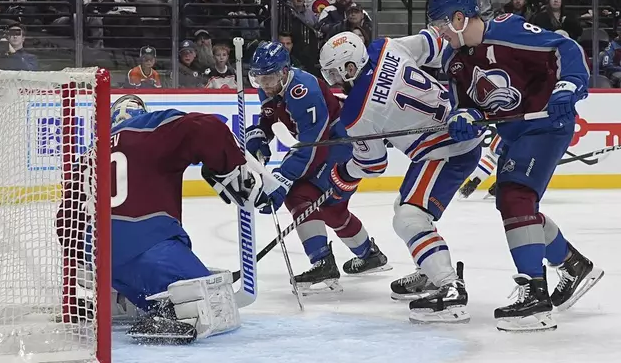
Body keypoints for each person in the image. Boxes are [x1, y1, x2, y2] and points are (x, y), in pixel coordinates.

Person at [427, 0, 604, 332]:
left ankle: (534, 293)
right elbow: (469, 104)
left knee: (514, 195)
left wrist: (569, 85)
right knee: (516, 202)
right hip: (516, 132)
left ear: (460, 18)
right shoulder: (456, 61)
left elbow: (565, 47)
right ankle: (571, 263)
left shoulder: (508, 31)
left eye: (441, 24)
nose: (439, 33)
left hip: (547, 124)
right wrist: (464, 116)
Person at [56, 95, 265, 342]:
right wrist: (231, 168)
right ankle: (172, 306)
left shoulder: (89, 155)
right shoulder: (150, 128)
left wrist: (90, 263)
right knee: (211, 304)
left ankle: (149, 301)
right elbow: (207, 127)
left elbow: (64, 222)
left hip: (103, 262)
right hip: (150, 247)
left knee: (159, 296)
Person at [319, 31, 482, 324]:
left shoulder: (356, 111)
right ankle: (431, 271)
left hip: (446, 151)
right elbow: (436, 44)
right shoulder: (384, 47)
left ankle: (449, 288)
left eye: (334, 73)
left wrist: (343, 173)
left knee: (409, 218)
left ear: (350, 67)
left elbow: (373, 164)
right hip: (458, 130)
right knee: (404, 208)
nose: (334, 81)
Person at [245, 42, 391, 296]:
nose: (264, 84)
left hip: (341, 144)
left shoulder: (304, 91)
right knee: (332, 208)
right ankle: (369, 255)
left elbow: (313, 144)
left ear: (284, 71)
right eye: (258, 78)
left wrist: (283, 177)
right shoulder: (269, 88)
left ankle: (322, 262)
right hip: (328, 144)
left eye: (268, 77)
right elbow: (270, 115)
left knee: (300, 195)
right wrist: (259, 135)